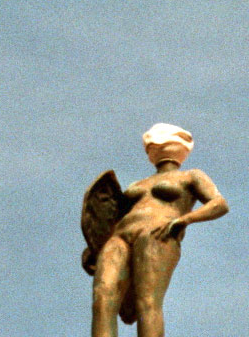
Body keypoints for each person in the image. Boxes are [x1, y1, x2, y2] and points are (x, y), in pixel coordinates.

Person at [88, 124, 228, 337]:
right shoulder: (139, 183)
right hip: (120, 235)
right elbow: (110, 214)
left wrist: (185, 219)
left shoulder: (191, 176)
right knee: (103, 296)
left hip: (157, 233)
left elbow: (219, 204)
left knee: (148, 302)